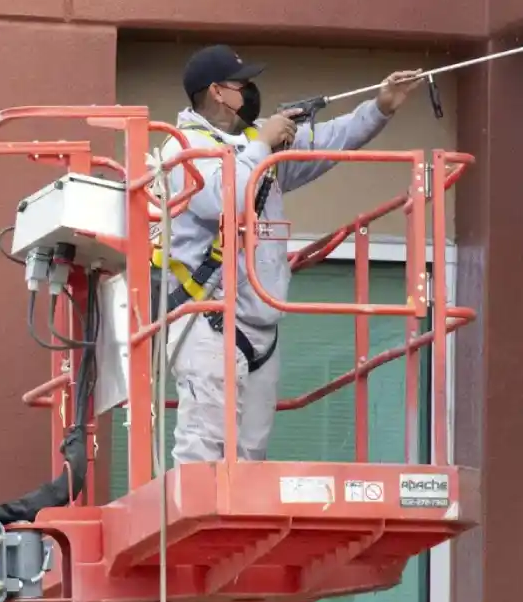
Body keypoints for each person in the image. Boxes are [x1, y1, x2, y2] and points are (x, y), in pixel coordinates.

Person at [153, 44, 424, 465]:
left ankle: (236, 533)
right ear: (217, 92)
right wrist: (263, 144)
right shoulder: (183, 148)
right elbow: (221, 202)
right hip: (206, 320)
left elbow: (328, 140)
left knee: (250, 456)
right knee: (203, 449)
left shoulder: (256, 140)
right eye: (242, 84)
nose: (252, 90)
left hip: (262, 322)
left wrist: (381, 107)